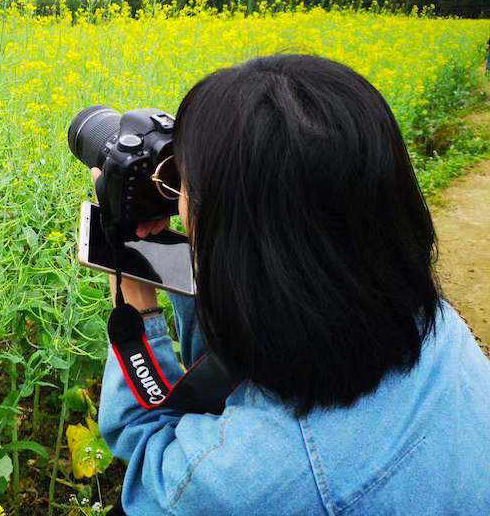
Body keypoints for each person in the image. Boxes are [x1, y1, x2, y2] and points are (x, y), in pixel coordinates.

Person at [93, 54, 490, 514]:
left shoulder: (244, 485)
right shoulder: (430, 323)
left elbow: (151, 464)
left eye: (187, 189)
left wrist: (137, 303)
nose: (179, 201)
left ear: (248, 247)